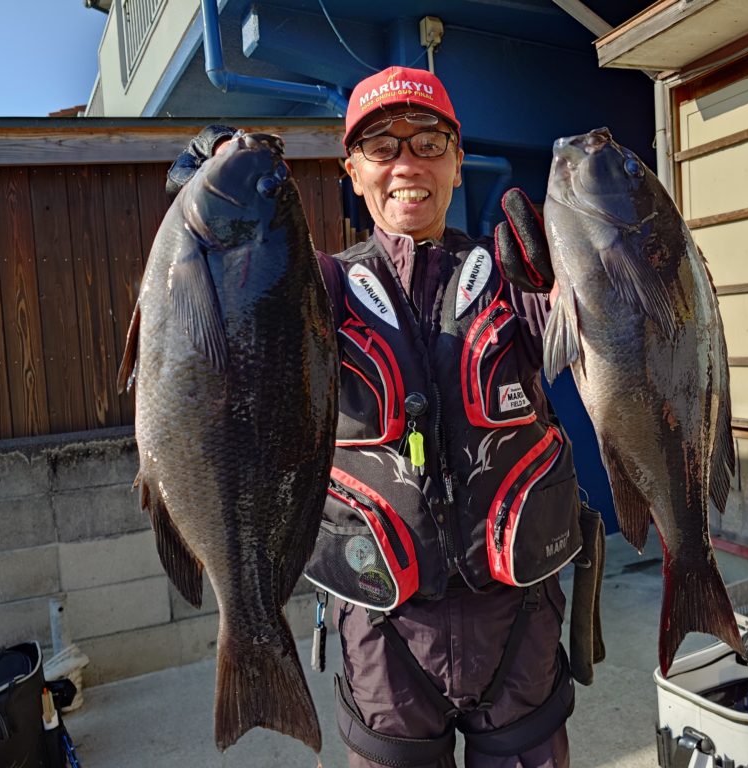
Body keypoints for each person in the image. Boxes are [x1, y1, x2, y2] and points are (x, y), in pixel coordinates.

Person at [167, 65, 604, 768]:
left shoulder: (515, 275)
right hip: (381, 628)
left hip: (519, 619)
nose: (407, 164)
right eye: (381, 146)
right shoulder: (312, 287)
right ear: (353, 170)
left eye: (429, 143)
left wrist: (579, 275)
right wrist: (209, 189)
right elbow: (220, 305)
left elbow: (608, 342)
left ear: (458, 163)